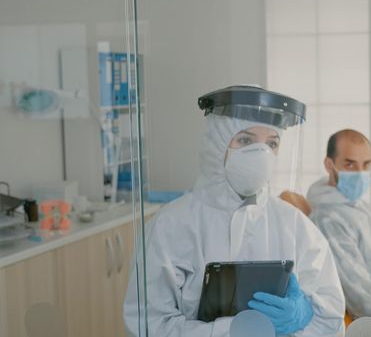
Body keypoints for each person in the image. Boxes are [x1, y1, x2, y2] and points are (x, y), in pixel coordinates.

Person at [124, 85, 346, 336]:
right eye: (246, 140)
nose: (261, 154)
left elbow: (331, 320)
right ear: (218, 146)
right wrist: (231, 330)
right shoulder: (171, 225)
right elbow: (147, 325)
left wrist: (302, 316)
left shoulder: (294, 224)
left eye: (271, 143)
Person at [306, 129, 371, 327]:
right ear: (329, 165)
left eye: (366, 164)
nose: (359, 173)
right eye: (350, 164)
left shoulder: (360, 207)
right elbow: (361, 296)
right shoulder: (327, 220)